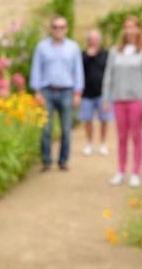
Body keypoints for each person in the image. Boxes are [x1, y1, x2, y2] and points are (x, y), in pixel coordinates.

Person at [102, 15, 142, 187]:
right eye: (126, 27)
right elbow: (108, 75)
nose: (129, 30)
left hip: (136, 100)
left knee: (137, 136)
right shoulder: (114, 51)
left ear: (138, 29)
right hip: (119, 100)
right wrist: (105, 98)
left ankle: (135, 173)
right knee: (121, 137)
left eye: (132, 27)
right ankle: (121, 171)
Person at [29, 16, 84, 172]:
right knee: (45, 129)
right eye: (55, 27)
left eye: (61, 27)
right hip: (47, 91)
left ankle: (63, 160)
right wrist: (37, 91)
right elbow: (36, 69)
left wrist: (78, 92)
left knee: (66, 129)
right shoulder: (42, 47)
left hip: (67, 91)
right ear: (51, 28)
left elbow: (78, 71)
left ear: (66, 29)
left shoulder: (73, 47)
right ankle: (46, 160)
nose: (58, 30)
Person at [77, 29, 113, 156]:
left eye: (96, 40)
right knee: (88, 120)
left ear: (100, 41)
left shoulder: (106, 54)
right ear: (88, 41)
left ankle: (102, 143)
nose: (93, 42)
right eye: (91, 40)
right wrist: (88, 56)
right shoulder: (82, 55)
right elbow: (79, 71)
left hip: (103, 93)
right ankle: (89, 143)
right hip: (87, 93)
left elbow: (110, 72)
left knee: (104, 119)